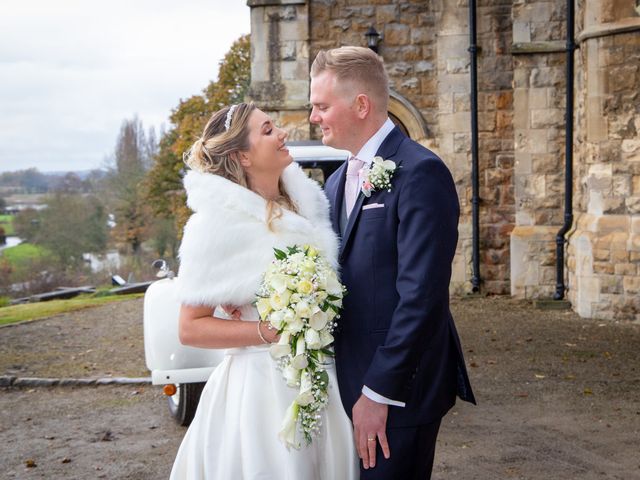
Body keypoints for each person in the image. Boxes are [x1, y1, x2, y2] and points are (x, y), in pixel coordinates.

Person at [309, 46, 476, 479]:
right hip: (345, 384)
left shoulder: (421, 173)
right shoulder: (335, 183)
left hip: (396, 392)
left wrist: (378, 392)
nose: (314, 117)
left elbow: (421, 296)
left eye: (322, 106)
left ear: (360, 105)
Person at [170, 102, 358, 479]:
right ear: (243, 155)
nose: (282, 133)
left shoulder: (310, 208)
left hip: (324, 378)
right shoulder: (215, 227)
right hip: (259, 392)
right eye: (268, 130)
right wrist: (267, 331)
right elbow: (190, 327)